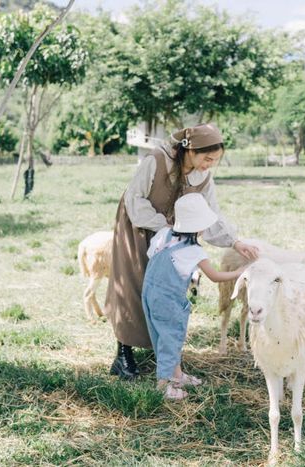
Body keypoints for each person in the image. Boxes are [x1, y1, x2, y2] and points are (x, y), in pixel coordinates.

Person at [104, 123, 259, 379]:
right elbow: (135, 198)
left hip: (175, 235)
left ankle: (163, 352)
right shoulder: (156, 160)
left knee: (164, 290)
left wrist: (235, 242)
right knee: (135, 284)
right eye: (207, 158)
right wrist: (162, 224)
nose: (210, 164)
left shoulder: (203, 176)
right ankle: (123, 354)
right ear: (190, 150)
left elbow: (210, 215)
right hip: (139, 227)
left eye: (215, 160)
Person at [142, 193, 245, 399]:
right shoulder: (194, 251)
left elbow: (151, 255)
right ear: (199, 226)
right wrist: (240, 273)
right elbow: (215, 276)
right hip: (170, 300)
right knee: (171, 340)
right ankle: (164, 386)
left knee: (161, 336)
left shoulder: (164, 233)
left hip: (149, 292)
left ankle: (177, 375)